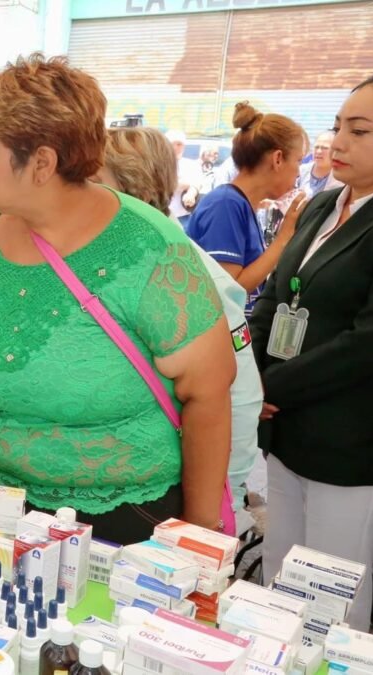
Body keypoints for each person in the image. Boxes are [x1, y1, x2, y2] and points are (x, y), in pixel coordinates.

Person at [0, 54, 234, 543]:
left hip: (129, 522)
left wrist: (197, 536)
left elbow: (208, 394)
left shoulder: (147, 247)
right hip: (3, 507)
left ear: (42, 163)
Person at [251, 76, 373, 631]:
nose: (338, 142)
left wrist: (271, 388)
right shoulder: (323, 203)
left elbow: (364, 343)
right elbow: (276, 294)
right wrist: (250, 377)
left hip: (346, 440)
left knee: (332, 596)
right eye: (338, 126)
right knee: (280, 575)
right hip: (286, 431)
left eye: (360, 131)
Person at [94, 126, 263, 517]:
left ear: (130, 185)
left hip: (172, 498)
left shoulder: (193, 273)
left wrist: (220, 502)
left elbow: (240, 396)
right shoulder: (109, 260)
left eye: (93, 180)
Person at [186, 102, 307, 316]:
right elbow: (227, 292)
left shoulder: (240, 203)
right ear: (278, 159)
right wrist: (284, 238)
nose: (299, 172)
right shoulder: (226, 204)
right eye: (298, 161)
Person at [165, 129, 203, 228]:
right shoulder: (158, 165)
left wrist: (191, 192)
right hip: (163, 216)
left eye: (179, 144)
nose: (175, 147)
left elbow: (198, 182)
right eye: (172, 144)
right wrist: (185, 184)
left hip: (184, 217)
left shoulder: (191, 165)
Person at [298, 130, 342, 199]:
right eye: (316, 147)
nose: (318, 151)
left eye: (325, 148)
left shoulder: (340, 178)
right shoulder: (300, 171)